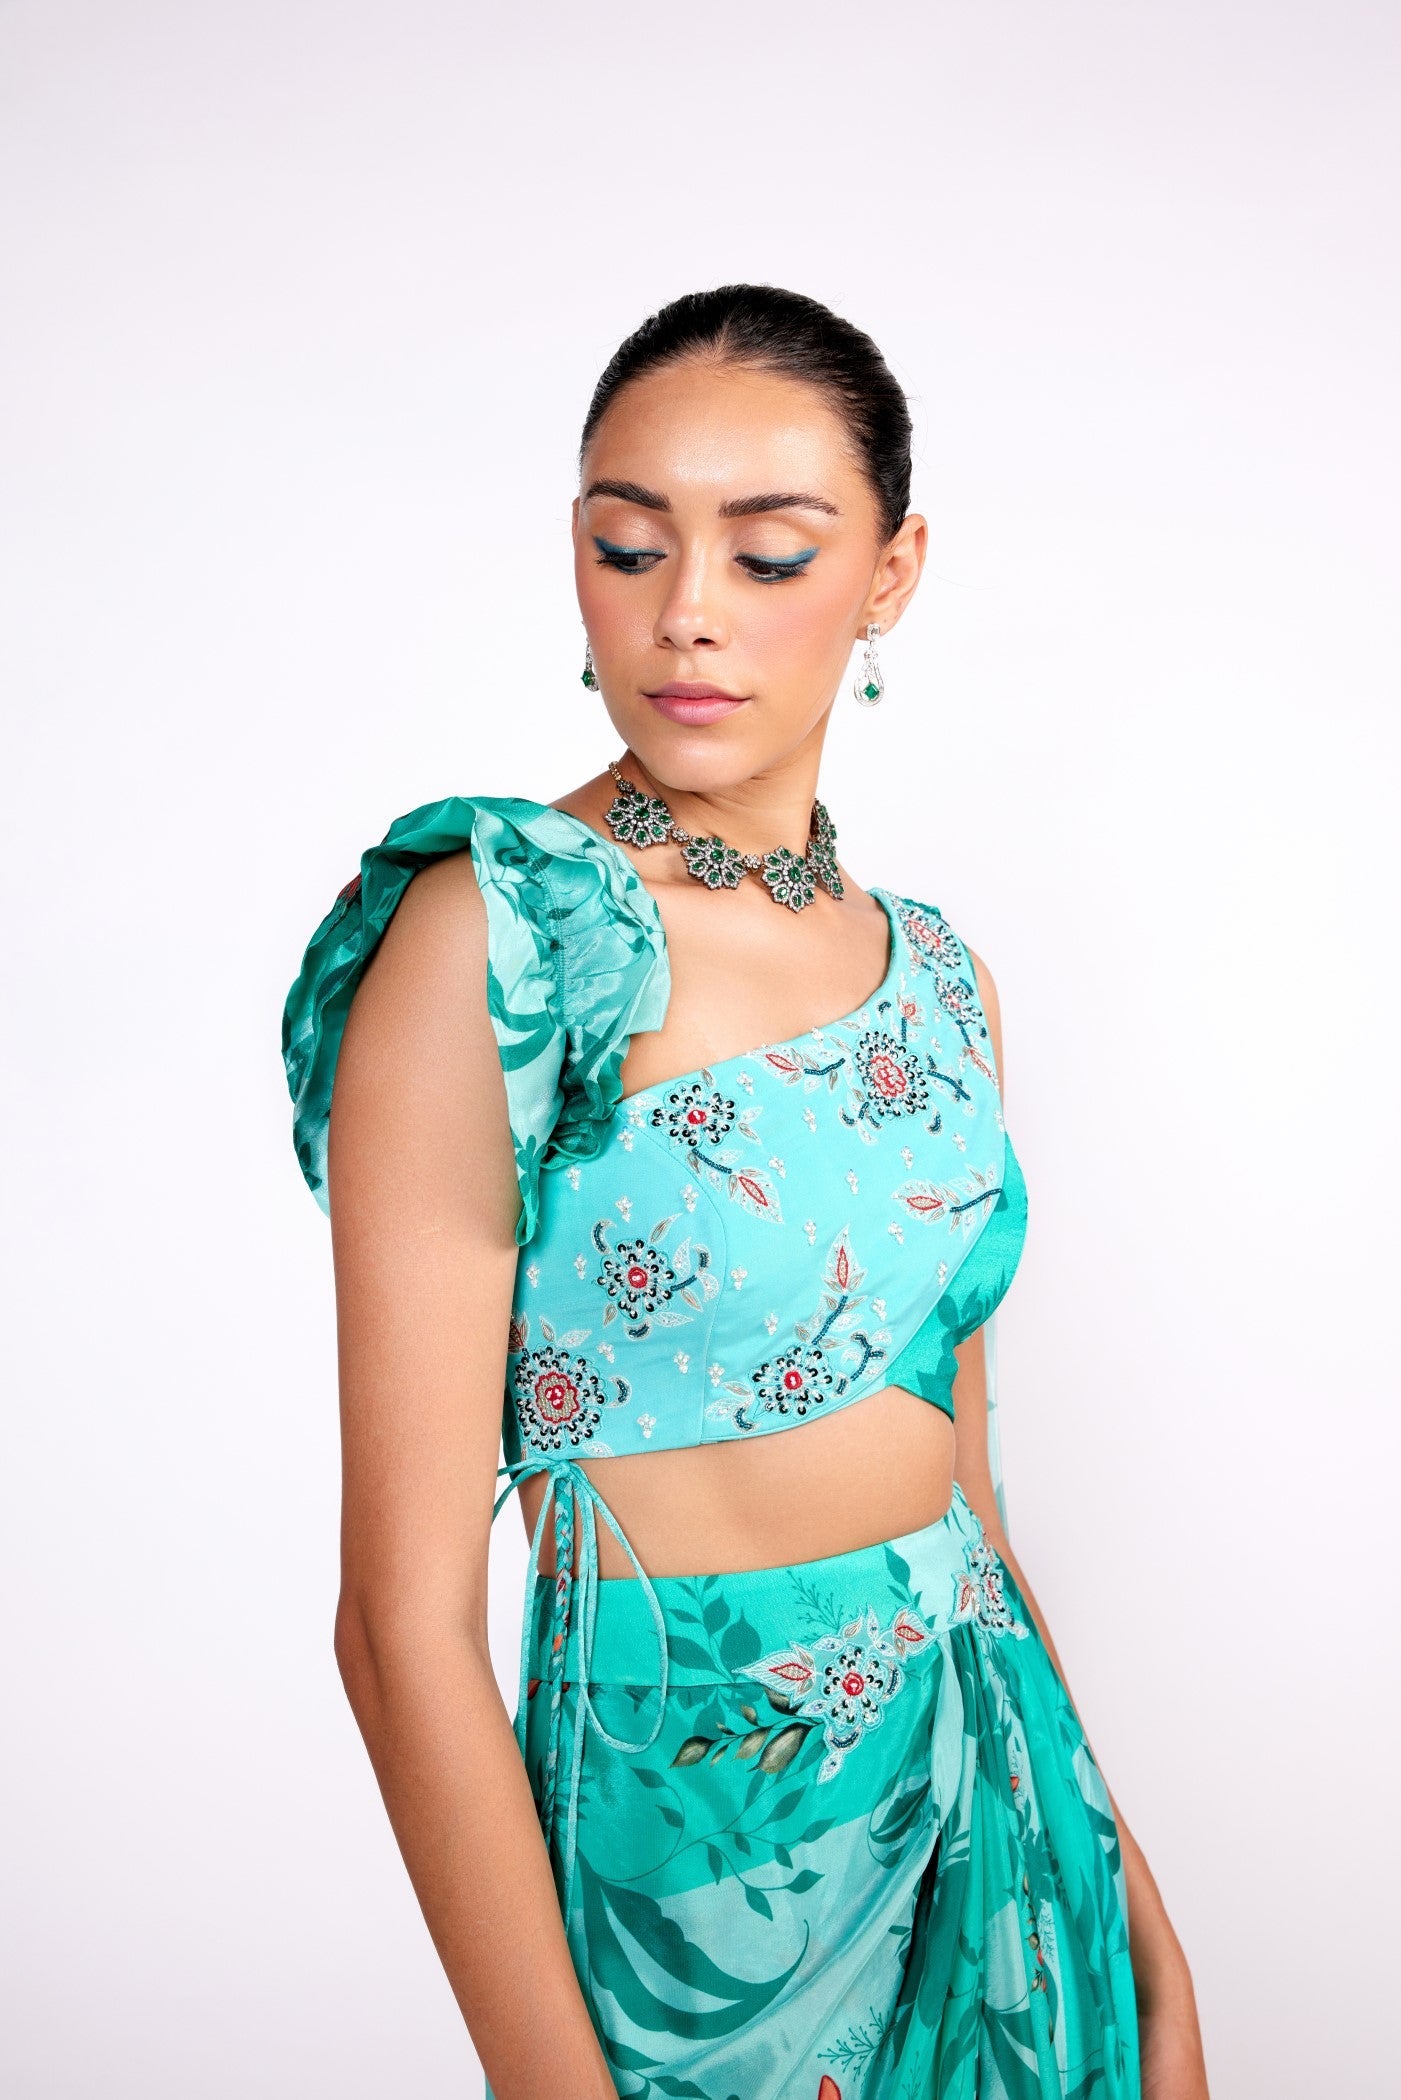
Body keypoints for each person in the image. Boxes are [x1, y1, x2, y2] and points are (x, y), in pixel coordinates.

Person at [281, 284, 1208, 2100]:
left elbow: (973, 1509)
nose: (686, 611)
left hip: (999, 1801)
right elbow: (397, 1630)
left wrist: (1142, 1932)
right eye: (630, 547)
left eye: (769, 555)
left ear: (888, 574)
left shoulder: (942, 981)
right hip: (700, 1847)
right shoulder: (507, 941)